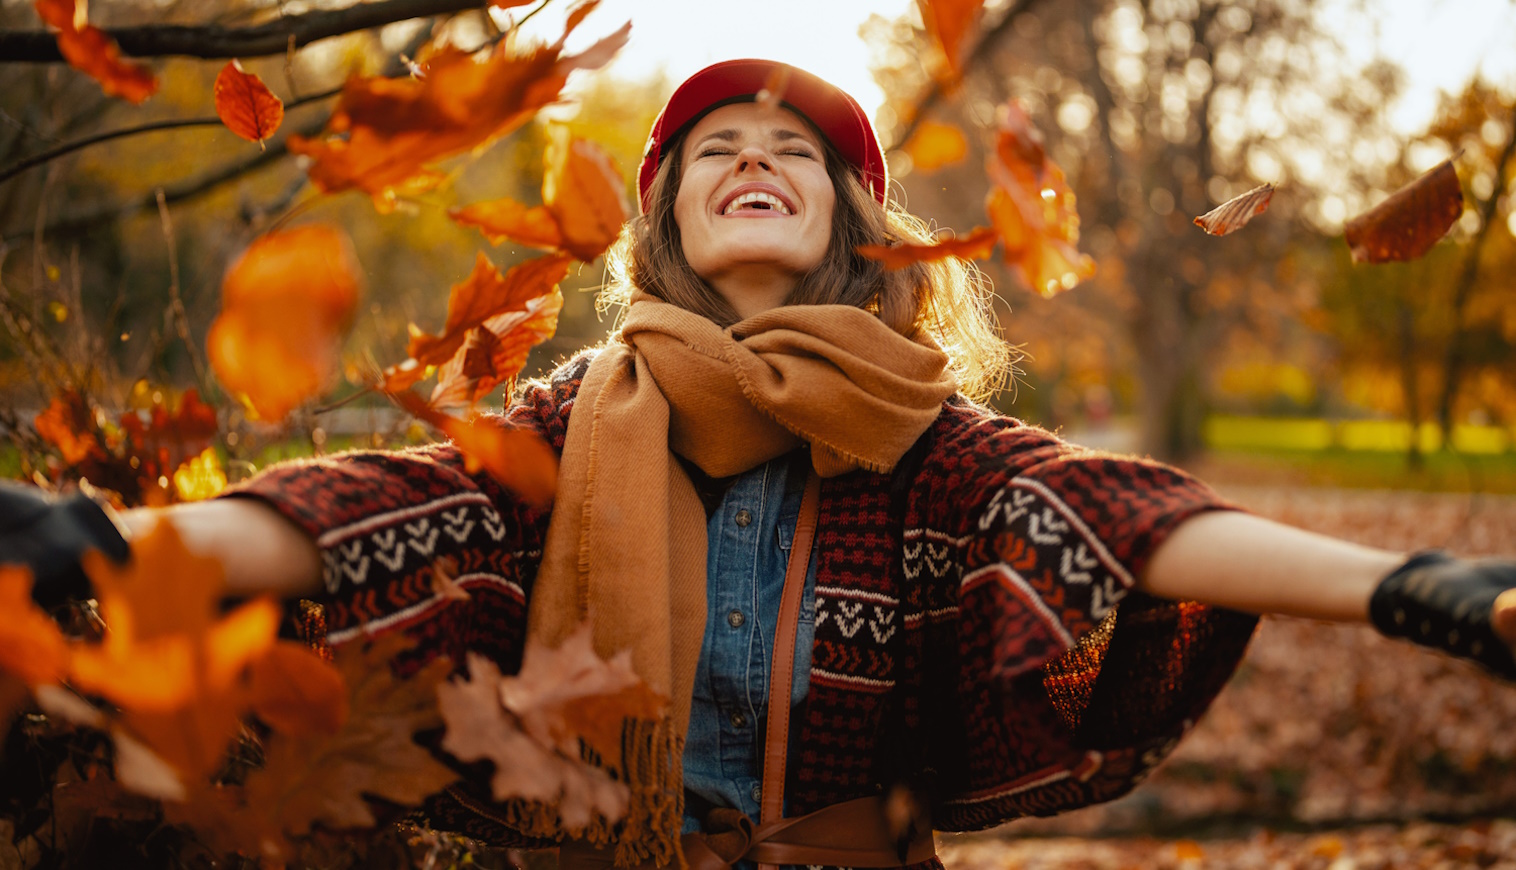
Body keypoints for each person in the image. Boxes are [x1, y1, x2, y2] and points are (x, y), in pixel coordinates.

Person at [6, 59, 1516, 870]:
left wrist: (1421, 587)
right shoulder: (566, 417)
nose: (757, 157)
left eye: (797, 152)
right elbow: (371, 515)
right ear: (664, 214)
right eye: (719, 140)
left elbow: (1127, 523)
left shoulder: (926, 447)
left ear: (855, 222)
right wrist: (99, 538)